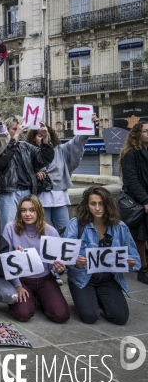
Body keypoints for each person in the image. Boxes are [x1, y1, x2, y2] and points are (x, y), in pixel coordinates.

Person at [63, 186, 140, 325]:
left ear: (108, 205)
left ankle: (98, 297)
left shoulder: (120, 227)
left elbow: (135, 257)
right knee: (90, 316)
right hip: (83, 278)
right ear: (87, 205)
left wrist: (131, 263)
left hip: (109, 278)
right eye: (93, 204)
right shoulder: (76, 224)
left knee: (120, 318)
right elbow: (65, 256)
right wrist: (75, 261)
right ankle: (86, 298)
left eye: (101, 203)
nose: (97, 208)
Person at [25, 114, 100, 232]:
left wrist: (88, 127)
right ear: (34, 138)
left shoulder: (61, 150)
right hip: (38, 199)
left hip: (60, 199)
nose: (44, 137)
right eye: (40, 135)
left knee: (65, 232)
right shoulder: (28, 152)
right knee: (41, 233)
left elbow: (77, 142)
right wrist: (35, 173)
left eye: (46, 135)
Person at [2, 195, 70, 323]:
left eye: (32, 210)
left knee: (61, 315)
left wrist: (59, 269)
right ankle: (27, 301)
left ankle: (41, 299)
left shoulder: (51, 231)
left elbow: (55, 266)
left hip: (45, 279)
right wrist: (17, 285)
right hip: (22, 281)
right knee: (23, 314)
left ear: (39, 211)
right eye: (23, 210)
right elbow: (6, 261)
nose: (27, 214)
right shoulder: (10, 228)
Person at [0, 117, 54, 234]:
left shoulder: (25, 146)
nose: (19, 130)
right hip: (8, 194)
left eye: (20, 128)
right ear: (6, 130)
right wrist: (15, 137)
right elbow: (1, 162)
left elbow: (44, 159)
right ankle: (5, 252)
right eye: (14, 129)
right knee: (5, 229)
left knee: (28, 228)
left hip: (27, 192)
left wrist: (45, 138)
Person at [119, 121, 148, 284]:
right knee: (140, 236)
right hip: (138, 201)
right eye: (145, 131)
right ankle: (142, 269)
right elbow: (131, 181)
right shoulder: (131, 153)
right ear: (137, 134)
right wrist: (145, 200)